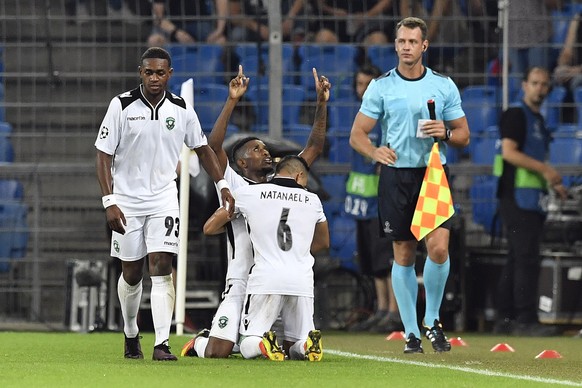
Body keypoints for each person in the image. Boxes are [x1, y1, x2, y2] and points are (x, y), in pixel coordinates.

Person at [180, 64, 330, 358]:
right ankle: (201, 342)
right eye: (257, 149)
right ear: (242, 163)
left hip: (270, 277)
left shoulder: (280, 185)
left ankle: (251, 342)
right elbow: (213, 146)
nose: (266, 152)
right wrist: (232, 100)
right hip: (241, 278)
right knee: (216, 352)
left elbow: (313, 148)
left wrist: (321, 105)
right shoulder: (236, 183)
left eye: (265, 148)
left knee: (285, 347)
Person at [94, 46, 235, 361]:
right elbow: (103, 155)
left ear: (169, 74)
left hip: (163, 199)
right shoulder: (121, 105)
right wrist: (109, 201)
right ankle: (131, 333)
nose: (155, 78)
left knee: (162, 267)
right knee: (131, 273)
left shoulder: (182, 108)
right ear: (140, 72)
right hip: (126, 201)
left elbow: (202, 149)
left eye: (161, 72)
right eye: (149, 72)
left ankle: (161, 343)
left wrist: (222, 183)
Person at [349, 17, 470, 353]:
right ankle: (411, 331)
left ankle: (432, 320)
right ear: (396, 45)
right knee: (403, 254)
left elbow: (463, 134)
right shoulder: (381, 86)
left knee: (439, 249)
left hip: (432, 173)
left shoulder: (443, 85)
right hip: (396, 175)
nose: (406, 47)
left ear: (424, 46)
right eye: (401, 41)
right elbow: (356, 134)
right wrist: (374, 150)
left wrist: (444, 133)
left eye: (412, 42)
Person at [203, 155, 330, 361]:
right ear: (299, 176)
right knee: (294, 345)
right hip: (302, 279)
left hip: (266, 278)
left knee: (247, 342)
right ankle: (307, 344)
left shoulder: (249, 193)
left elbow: (209, 227)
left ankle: (263, 343)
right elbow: (324, 243)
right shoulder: (312, 200)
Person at [493, 66, 568, 337]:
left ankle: (506, 317)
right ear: (524, 85)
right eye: (534, 82)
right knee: (526, 258)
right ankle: (525, 318)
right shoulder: (515, 115)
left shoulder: (537, 120)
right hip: (516, 197)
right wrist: (546, 171)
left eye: (544, 84)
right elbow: (509, 153)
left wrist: (554, 184)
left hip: (532, 198)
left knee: (517, 258)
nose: (539, 88)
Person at [344, 63, 402, 333]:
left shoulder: (388, 117)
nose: (363, 89)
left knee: (386, 257)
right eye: (359, 84)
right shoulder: (360, 119)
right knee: (371, 260)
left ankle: (394, 311)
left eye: (368, 84)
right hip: (361, 200)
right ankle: (381, 309)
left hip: (381, 199)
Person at [147, 0, 228, 47]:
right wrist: (176, 32)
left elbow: (221, 1)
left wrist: (219, 30)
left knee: (220, 41)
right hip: (170, 25)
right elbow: (158, 18)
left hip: (201, 23)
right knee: (154, 41)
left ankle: (211, 75)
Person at [310, 0, 395, 44]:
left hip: (370, 23)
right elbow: (320, 4)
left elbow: (386, 1)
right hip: (335, 22)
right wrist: (333, 11)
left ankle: (370, 74)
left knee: (378, 40)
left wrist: (368, 15)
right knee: (324, 38)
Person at [227, 0, 307, 43]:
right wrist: (258, 27)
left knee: (300, 31)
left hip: (285, 23)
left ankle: (296, 66)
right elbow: (234, 15)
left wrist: (290, 18)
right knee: (237, 34)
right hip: (253, 26)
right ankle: (239, 69)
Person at [553, 11, 582, 123]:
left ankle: (577, 122)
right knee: (556, 76)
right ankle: (557, 124)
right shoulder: (578, 19)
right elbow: (567, 51)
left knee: (577, 82)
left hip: (577, 72)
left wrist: (575, 71)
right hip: (575, 70)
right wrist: (562, 66)